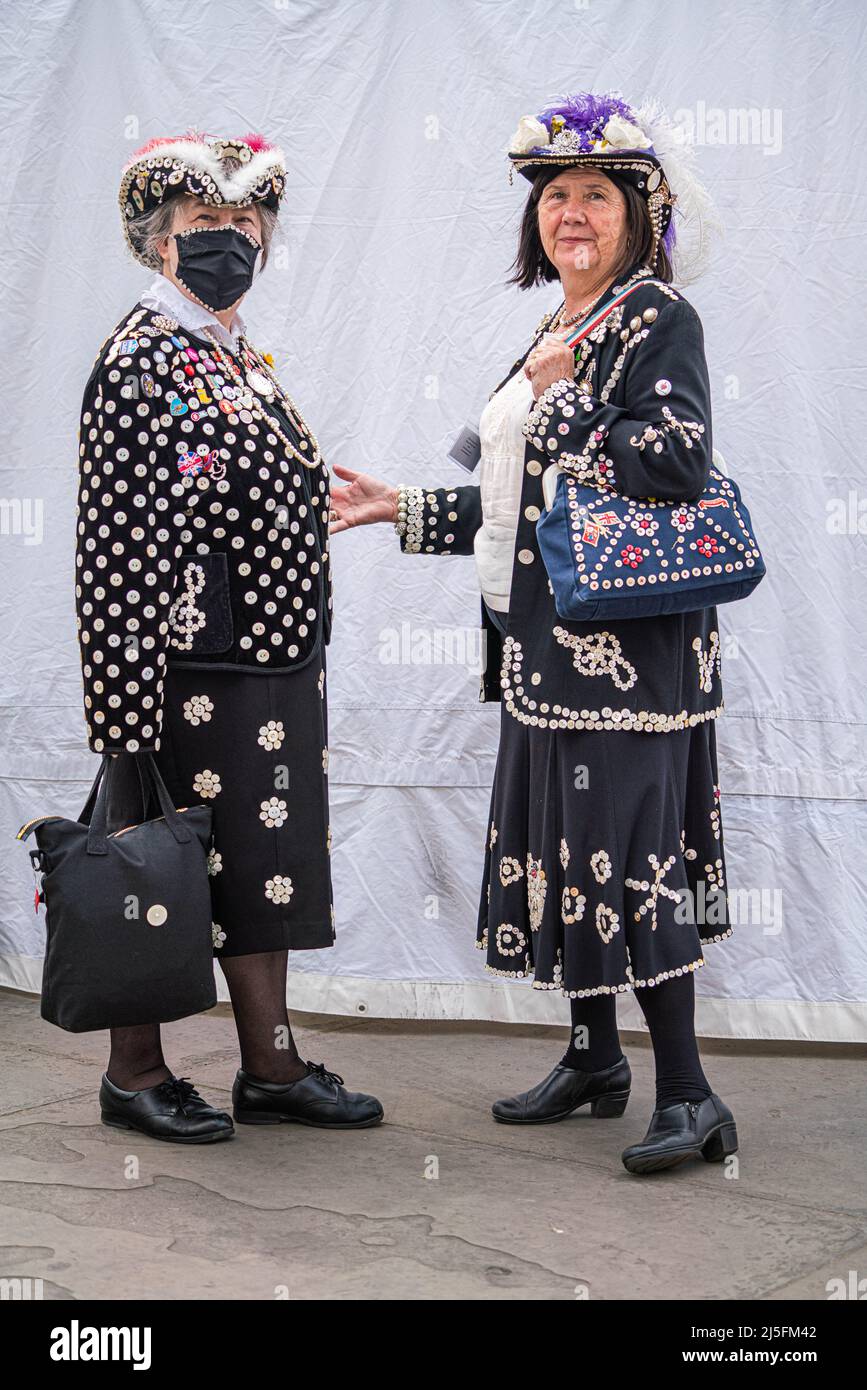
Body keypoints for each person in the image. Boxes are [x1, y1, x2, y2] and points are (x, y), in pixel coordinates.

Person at [329, 93, 738, 1174]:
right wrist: (400, 508)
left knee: (635, 861)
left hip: (632, 662)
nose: (572, 212)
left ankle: (692, 1095)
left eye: (596, 194)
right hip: (545, 652)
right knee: (572, 853)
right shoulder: (556, 328)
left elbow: (676, 463)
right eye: (555, 195)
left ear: (639, 215)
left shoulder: (658, 318)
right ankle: (597, 1056)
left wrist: (565, 407)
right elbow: (528, 504)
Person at [75, 130, 382, 1142]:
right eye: (207, 224)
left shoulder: (234, 353)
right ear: (160, 243)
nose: (231, 239)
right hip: (180, 671)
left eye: (246, 223)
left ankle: (273, 1065)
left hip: (269, 665)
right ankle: (134, 1072)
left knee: (266, 870)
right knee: (152, 873)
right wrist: (124, 717)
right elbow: (115, 549)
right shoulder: (140, 355)